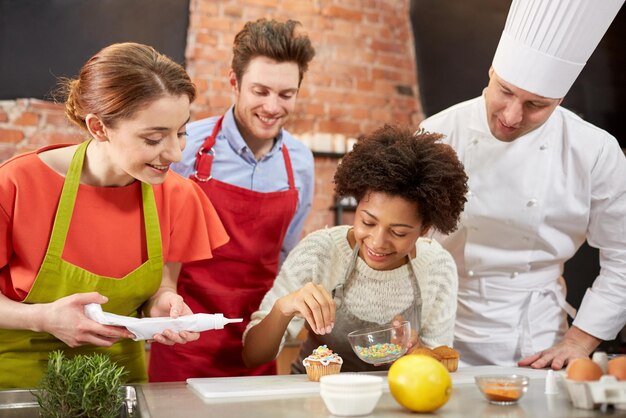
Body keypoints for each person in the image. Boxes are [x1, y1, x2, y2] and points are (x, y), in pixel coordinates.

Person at [0, 42, 229, 388]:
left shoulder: (178, 196)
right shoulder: (16, 184)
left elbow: (163, 285)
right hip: (19, 384)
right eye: (154, 138)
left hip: (119, 381)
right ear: (98, 127)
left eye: (181, 132)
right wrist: (43, 317)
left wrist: (163, 304)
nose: (176, 153)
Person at [420, 0, 626, 369]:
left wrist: (580, 340)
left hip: (537, 335)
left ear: (560, 100)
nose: (512, 116)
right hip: (440, 325)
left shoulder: (594, 151)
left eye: (536, 105)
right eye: (505, 91)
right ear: (491, 71)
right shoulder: (439, 133)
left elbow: (624, 255)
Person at [148, 18, 316, 381]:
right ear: (234, 83)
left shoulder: (300, 163)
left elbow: (287, 258)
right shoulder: (188, 146)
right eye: (260, 91)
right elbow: (156, 242)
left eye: (286, 94)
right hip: (185, 337)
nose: (272, 107)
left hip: (256, 340)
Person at [241, 124, 468, 372]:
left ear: (424, 229)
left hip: (398, 398)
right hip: (315, 398)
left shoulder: (437, 267)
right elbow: (253, 356)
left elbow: (440, 365)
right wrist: (283, 308)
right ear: (356, 205)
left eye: (399, 232)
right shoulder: (320, 252)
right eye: (367, 222)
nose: (378, 241)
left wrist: (418, 349)